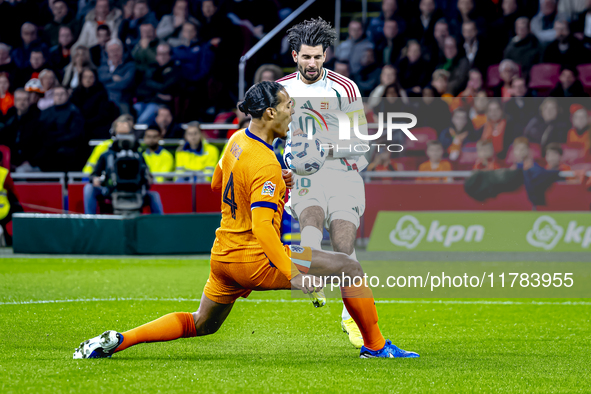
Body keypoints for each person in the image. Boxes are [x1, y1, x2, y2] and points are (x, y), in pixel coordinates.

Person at [73, 81, 419, 360]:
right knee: (348, 267)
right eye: (287, 107)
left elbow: (216, 183)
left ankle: (119, 340)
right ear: (270, 113)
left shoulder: (237, 140)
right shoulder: (265, 161)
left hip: (224, 255)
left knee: (202, 324)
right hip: (255, 257)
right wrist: (294, 276)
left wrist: (268, 184)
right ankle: (376, 347)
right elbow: (262, 230)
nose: (292, 113)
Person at [279, 18, 370, 349]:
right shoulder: (281, 90)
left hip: (341, 171)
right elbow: (269, 134)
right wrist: (285, 160)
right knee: (311, 221)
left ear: (326, 55)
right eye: (306, 57)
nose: (312, 63)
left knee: (345, 247)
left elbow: (362, 144)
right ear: (294, 56)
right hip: (304, 176)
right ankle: (310, 276)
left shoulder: (345, 89)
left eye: (317, 57)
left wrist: (327, 148)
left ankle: (350, 318)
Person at [82, 115, 163, 214]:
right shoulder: (107, 155)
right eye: (119, 134)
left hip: (134, 190)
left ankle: (160, 226)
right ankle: (90, 222)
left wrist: (148, 179)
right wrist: (95, 179)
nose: (123, 138)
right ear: (114, 134)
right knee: (89, 189)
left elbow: (146, 174)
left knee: (154, 195)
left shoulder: (138, 155)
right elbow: (93, 174)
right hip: (111, 190)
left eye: (126, 134)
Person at [34, 86, 86, 172]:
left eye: (62, 94)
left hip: (66, 150)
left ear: (68, 95)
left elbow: (75, 134)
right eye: (56, 94)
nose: (59, 96)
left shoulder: (74, 112)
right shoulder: (45, 112)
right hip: (47, 148)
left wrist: (55, 140)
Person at [134, 43, 179, 125]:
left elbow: (164, 87)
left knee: (142, 121)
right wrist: (156, 92)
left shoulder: (174, 70)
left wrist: (151, 87)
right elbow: (141, 88)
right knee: (132, 112)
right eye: (160, 54)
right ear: (156, 55)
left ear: (170, 55)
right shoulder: (151, 68)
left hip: (160, 103)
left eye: (165, 54)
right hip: (146, 100)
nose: (162, 56)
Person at [70, 67, 118, 140]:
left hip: (96, 126)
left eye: (91, 77)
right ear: (81, 79)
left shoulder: (101, 93)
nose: (88, 80)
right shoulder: (75, 94)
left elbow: (103, 115)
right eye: (85, 77)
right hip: (79, 126)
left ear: (95, 79)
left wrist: (86, 123)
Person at [0, 89, 41, 169]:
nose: (22, 103)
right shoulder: (8, 120)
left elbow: (41, 146)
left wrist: (30, 162)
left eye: (25, 100)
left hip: (30, 163)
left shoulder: (38, 118)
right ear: (14, 101)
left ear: (29, 101)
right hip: (9, 162)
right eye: (19, 100)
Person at [98, 39, 136, 114]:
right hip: (103, 100)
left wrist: (107, 83)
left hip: (122, 100)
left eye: (117, 50)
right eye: (112, 51)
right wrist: (112, 77)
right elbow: (100, 79)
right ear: (107, 52)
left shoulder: (129, 65)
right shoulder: (103, 66)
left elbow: (124, 84)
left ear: (122, 50)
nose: (115, 53)